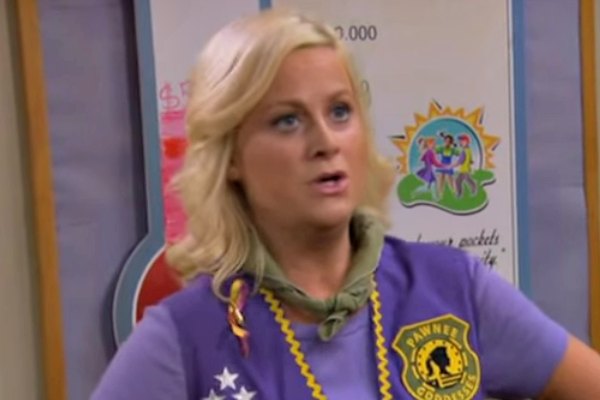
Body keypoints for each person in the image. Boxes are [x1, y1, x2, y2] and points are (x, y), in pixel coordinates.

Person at [92, 8, 600, 400]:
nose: (325, 141)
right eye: (287, 120)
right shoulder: (184, 338)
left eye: (339, 111)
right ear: (231, 157)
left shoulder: (455, 287)